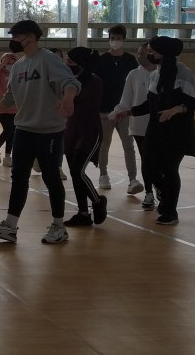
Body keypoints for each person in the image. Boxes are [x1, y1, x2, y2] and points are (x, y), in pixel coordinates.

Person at [0, 19, 81, 245]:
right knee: (18, 178)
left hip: (49, 131)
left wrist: (68, 99)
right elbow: (8, 99)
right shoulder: (18, 66)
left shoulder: (48, 59)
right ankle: (10, 226)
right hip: (24, 130)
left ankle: (59, 226)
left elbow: (70, 82)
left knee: (51, 177)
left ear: (31, 37)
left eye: (17, 36)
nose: (14, 41)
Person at [117, 36, 195, 226]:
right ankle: (166, 196)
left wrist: (175, 110)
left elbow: (193, 102)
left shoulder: (183, 73)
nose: (148, 54)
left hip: (177, 131)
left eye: (152, 51)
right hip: (156, 130)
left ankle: (171, 211)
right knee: (149, 168)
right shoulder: (155, 74)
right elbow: (150, 104)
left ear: (163, 53)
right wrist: (129, 111)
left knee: (170, 169)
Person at [62, 47, 108, 228]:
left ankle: (97, 201)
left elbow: (77, 98)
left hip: (89, 131)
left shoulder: (94, 81)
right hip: (71, 130)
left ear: (81, 63)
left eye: (70, 61)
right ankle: (83, 213)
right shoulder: (69, 81)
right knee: (75, 173)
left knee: (78, 171)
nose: (67, 64)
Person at [91, 24, 140, 193]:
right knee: (104, 144)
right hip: (105, 111)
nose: (115, 41)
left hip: (124, 111)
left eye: (118, 38)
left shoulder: (130, 61)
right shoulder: (101, 60)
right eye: (112, 38)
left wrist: (131, 108)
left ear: (124, 40)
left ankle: (133, 179)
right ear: (109, 39)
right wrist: (98, 110)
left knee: (129, 145)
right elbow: (95, 86)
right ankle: (103, 174)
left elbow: (134, 86)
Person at [111, 42, 156, 210]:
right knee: (146, 159)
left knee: (159, 160)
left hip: (160, 125)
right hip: (139, 126)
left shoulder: (161, 73)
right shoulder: (134, 74)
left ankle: (160, 188)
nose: (140, 56)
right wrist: (113, 114)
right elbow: (125, 100)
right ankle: (149, 192)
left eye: (143, 52)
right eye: (138, 53)